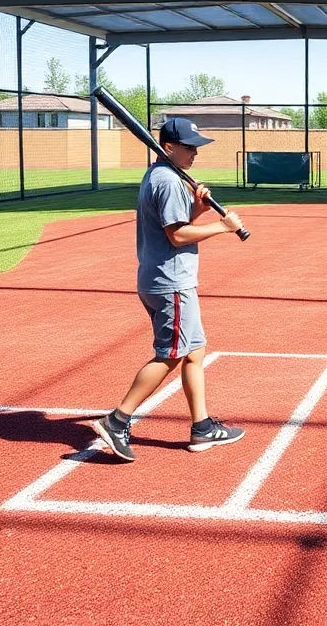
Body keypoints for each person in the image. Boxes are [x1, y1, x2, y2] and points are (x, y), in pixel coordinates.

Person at [91, 117, 247, 462]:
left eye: (196, 147)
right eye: (188, 147)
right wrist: (221, 226)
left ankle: (202, 427)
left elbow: (177, 222)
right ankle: (117, 421)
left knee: (195, 351)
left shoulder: (163, 175)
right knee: (173, 353)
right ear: (169, 148)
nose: (194, 153)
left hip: (167, 278)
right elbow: (176, 235)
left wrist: (197, 207)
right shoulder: (167, 180)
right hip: (170, 281)